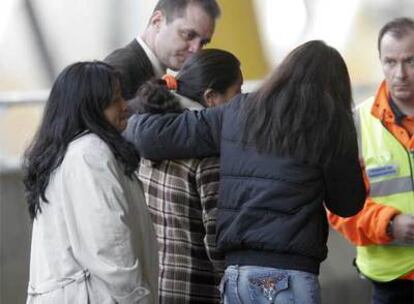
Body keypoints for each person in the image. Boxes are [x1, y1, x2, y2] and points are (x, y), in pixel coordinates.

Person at [122, 40, 367, 303]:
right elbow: (346, 204)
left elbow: (150, 137)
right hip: (288, 274)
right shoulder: (332, 122)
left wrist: (140, 108)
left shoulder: (238, 110)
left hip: (237, 275)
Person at [23, 61, 158, 303]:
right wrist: (137, 298)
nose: (125, 106)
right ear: (90, 107)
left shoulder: (68, 153)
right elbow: (109, 245)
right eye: (115, 99)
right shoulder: (89, 153)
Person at [124, 48, 243, 304]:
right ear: (211, 97)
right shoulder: (208, 157)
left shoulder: (151, 137)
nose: (241, 101)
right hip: (197, 289)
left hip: (155, 284)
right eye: (238, 92)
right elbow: (218, 240)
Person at [328, 17, 414, 304]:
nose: (400, 73)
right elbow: (338, 207)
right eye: (390, 62)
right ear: (380, 62)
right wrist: (388, 225)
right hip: (392, 282)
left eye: (411, 61)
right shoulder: (355, 124)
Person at [104, 0, 220, 99]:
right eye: (188, 35)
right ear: (157, 21)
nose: (196, 50)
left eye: (203, 43)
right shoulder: (118, 73)